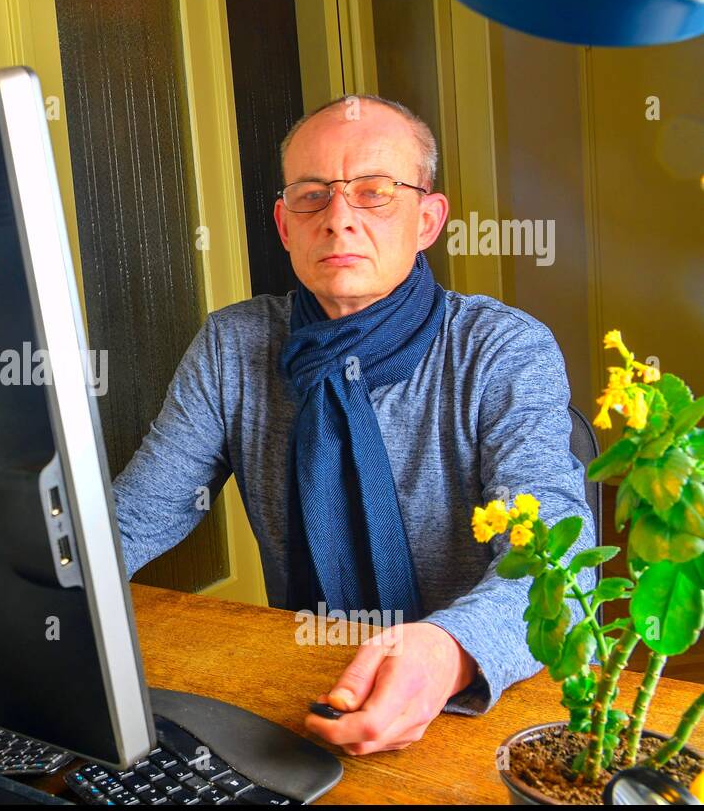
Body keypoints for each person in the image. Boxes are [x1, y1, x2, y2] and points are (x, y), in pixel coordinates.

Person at [111, 95, 594, 755]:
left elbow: (557, 566)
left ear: (427, 219)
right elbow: (135, 518)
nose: (339, 220)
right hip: (314, 685)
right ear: (284, 225)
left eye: (374, 193)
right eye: (313, 196)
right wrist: (23, 583)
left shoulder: (503, 350)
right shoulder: (233, 345)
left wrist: (447, 651)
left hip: (488, 696)